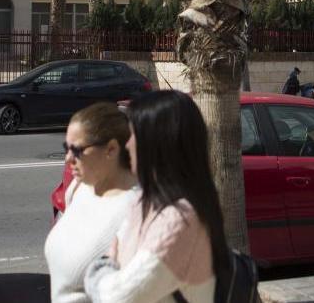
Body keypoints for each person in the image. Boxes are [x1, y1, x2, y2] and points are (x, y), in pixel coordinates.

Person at [84, 90, 224, 303]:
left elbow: (117, 297)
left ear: (157, 143)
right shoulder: (144, 201)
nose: (126, 145)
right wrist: (111, 269)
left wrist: (100, 269)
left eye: (132, 135)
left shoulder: (180, 219)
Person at [44, 102, 139, 303]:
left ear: (111, 149)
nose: (68, 158)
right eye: (66, 148)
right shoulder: (79, 190)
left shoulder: (136, 211)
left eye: (77, 150)